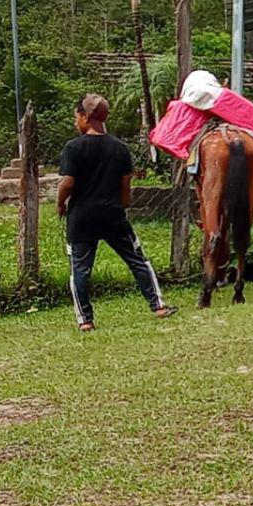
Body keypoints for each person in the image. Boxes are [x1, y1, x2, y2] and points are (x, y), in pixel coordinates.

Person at [56, 94, 177, 331]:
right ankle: (158, 306)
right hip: (113, 215)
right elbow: (125, 186)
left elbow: (68, 182)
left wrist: (60, 203)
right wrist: (122, 206)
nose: (75, 122)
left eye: (76, 117)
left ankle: (85, 321)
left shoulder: (73, 148)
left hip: (82, 217)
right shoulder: (120, 148)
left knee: (80, 269)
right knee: (137, 260)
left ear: (85, 117)